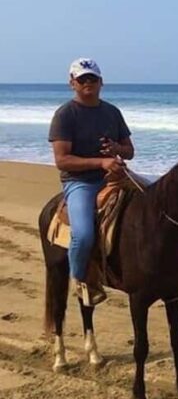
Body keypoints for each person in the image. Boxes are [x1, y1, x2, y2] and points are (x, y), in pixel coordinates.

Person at [48, 58, 135, 305]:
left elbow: (130, 151)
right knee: (84, 235)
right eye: (82, 79)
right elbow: (62, 160)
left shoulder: (112, 112)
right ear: (72, 83)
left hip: (116, 176)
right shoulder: (65, 115)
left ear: (101, 82)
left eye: (92, 79)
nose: (88, 83)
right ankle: (80, 279)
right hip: (80, 182)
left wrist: (117, 149)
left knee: (157, 202)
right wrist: (101, 162)